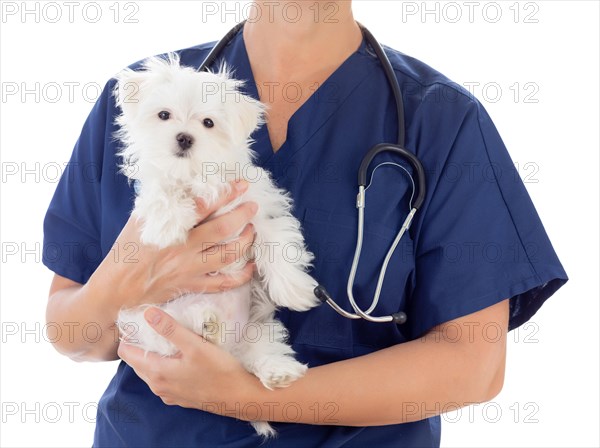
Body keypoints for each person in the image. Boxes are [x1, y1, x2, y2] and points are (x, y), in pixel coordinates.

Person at [42, 1, 568, 446]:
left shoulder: (442, 120)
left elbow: (474, 364)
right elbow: (71, 334)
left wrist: (244, 396)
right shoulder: (145, 98)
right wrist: (135, 271)